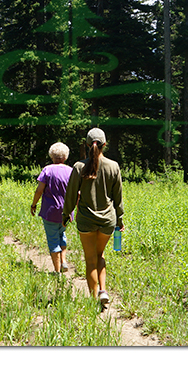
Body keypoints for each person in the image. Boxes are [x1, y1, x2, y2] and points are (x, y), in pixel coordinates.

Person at [62, 127, 124, 307]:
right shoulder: (113, 166)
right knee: (100, 255)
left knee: (90, 259)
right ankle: (103, 290)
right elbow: (118, 198)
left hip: (86, 220)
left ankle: (94, 297)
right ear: (105, 144)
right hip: (107, 220)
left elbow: (71, 195)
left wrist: (66, 214)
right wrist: (119, 220)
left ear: (87, 144)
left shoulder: (79, 167)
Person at [31, 142, 73, 274]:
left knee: (53, 240)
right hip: (66, 212)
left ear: (52, 156)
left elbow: (39, 190)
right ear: (65, 157)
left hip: (50, 212)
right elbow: (76, 192)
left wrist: (33, 204)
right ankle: (64, 260)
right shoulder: (71, 171)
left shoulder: (47, 170)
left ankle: (57, 271)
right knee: (62, 234)